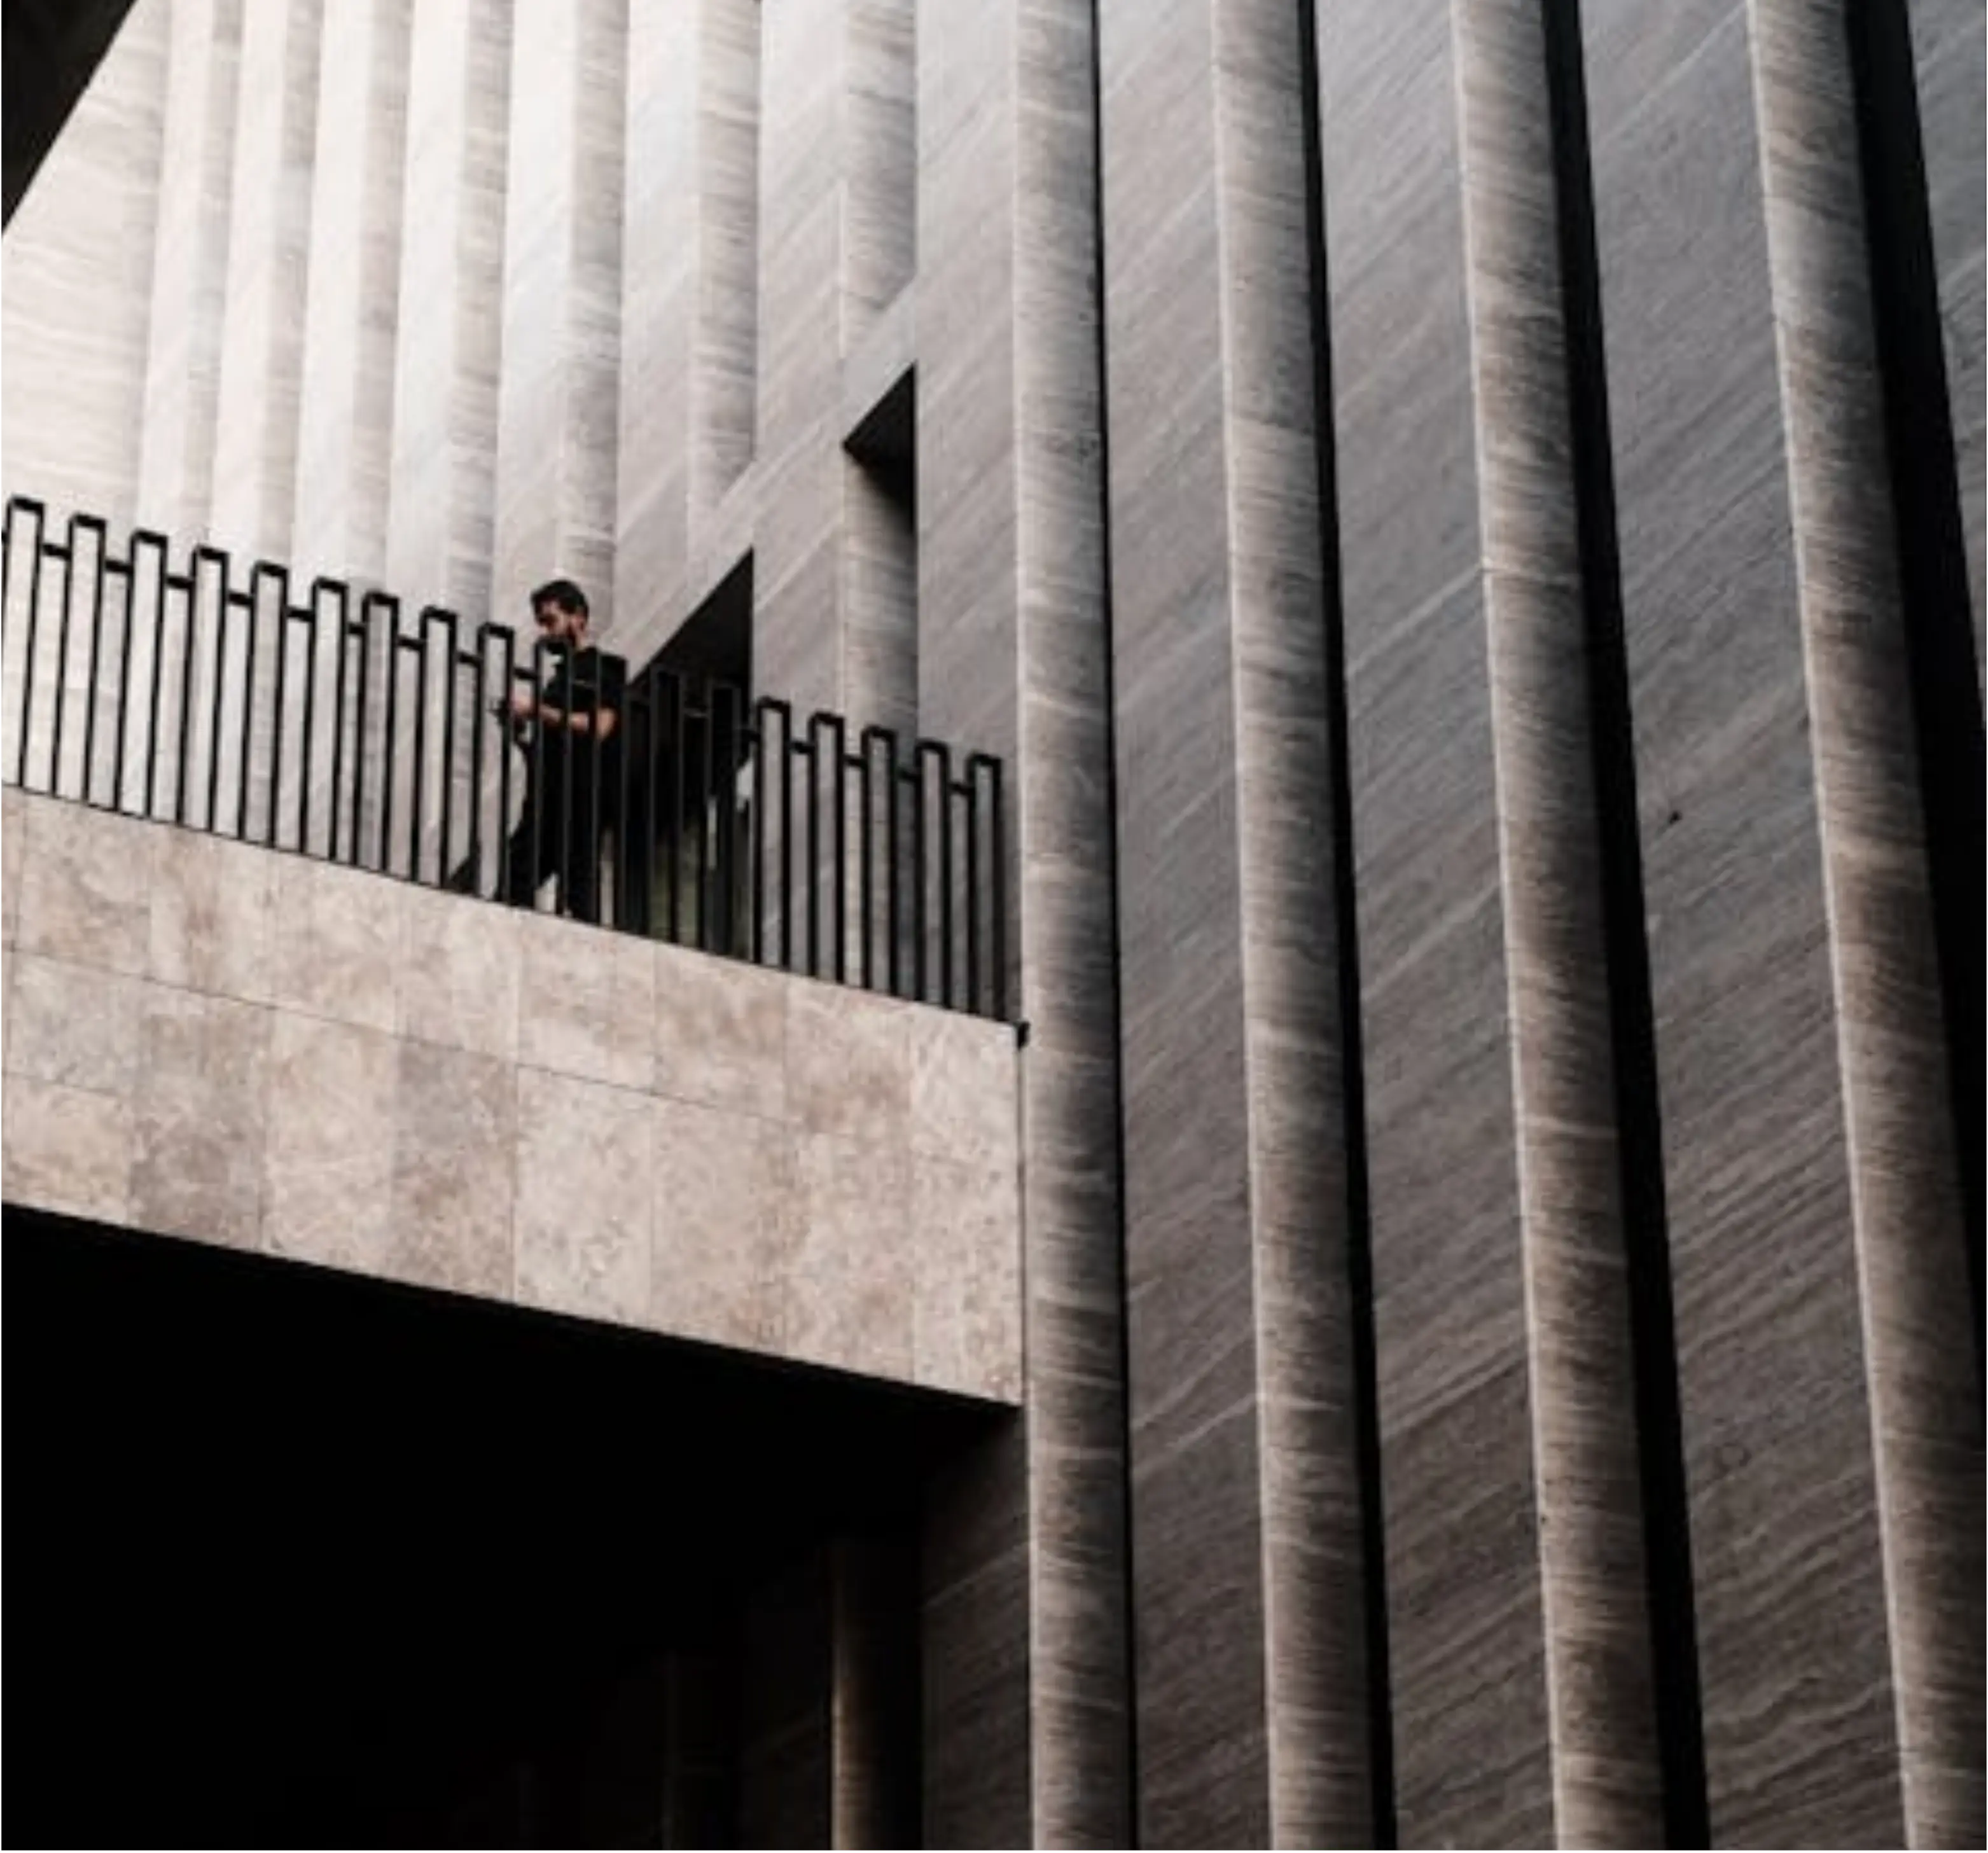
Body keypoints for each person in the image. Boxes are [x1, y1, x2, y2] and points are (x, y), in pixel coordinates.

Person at [494, 578, 627, 924]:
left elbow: (601, 726)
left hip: (580, 798)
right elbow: (549, 743)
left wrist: (537, 710)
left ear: (578, 616)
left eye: (551, 621)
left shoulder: (602, 669)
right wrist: (520, 733)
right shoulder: (558, 679)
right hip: (545, 797)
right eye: (542, 623)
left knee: (580, 894)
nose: (546, 632)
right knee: (512, 884)